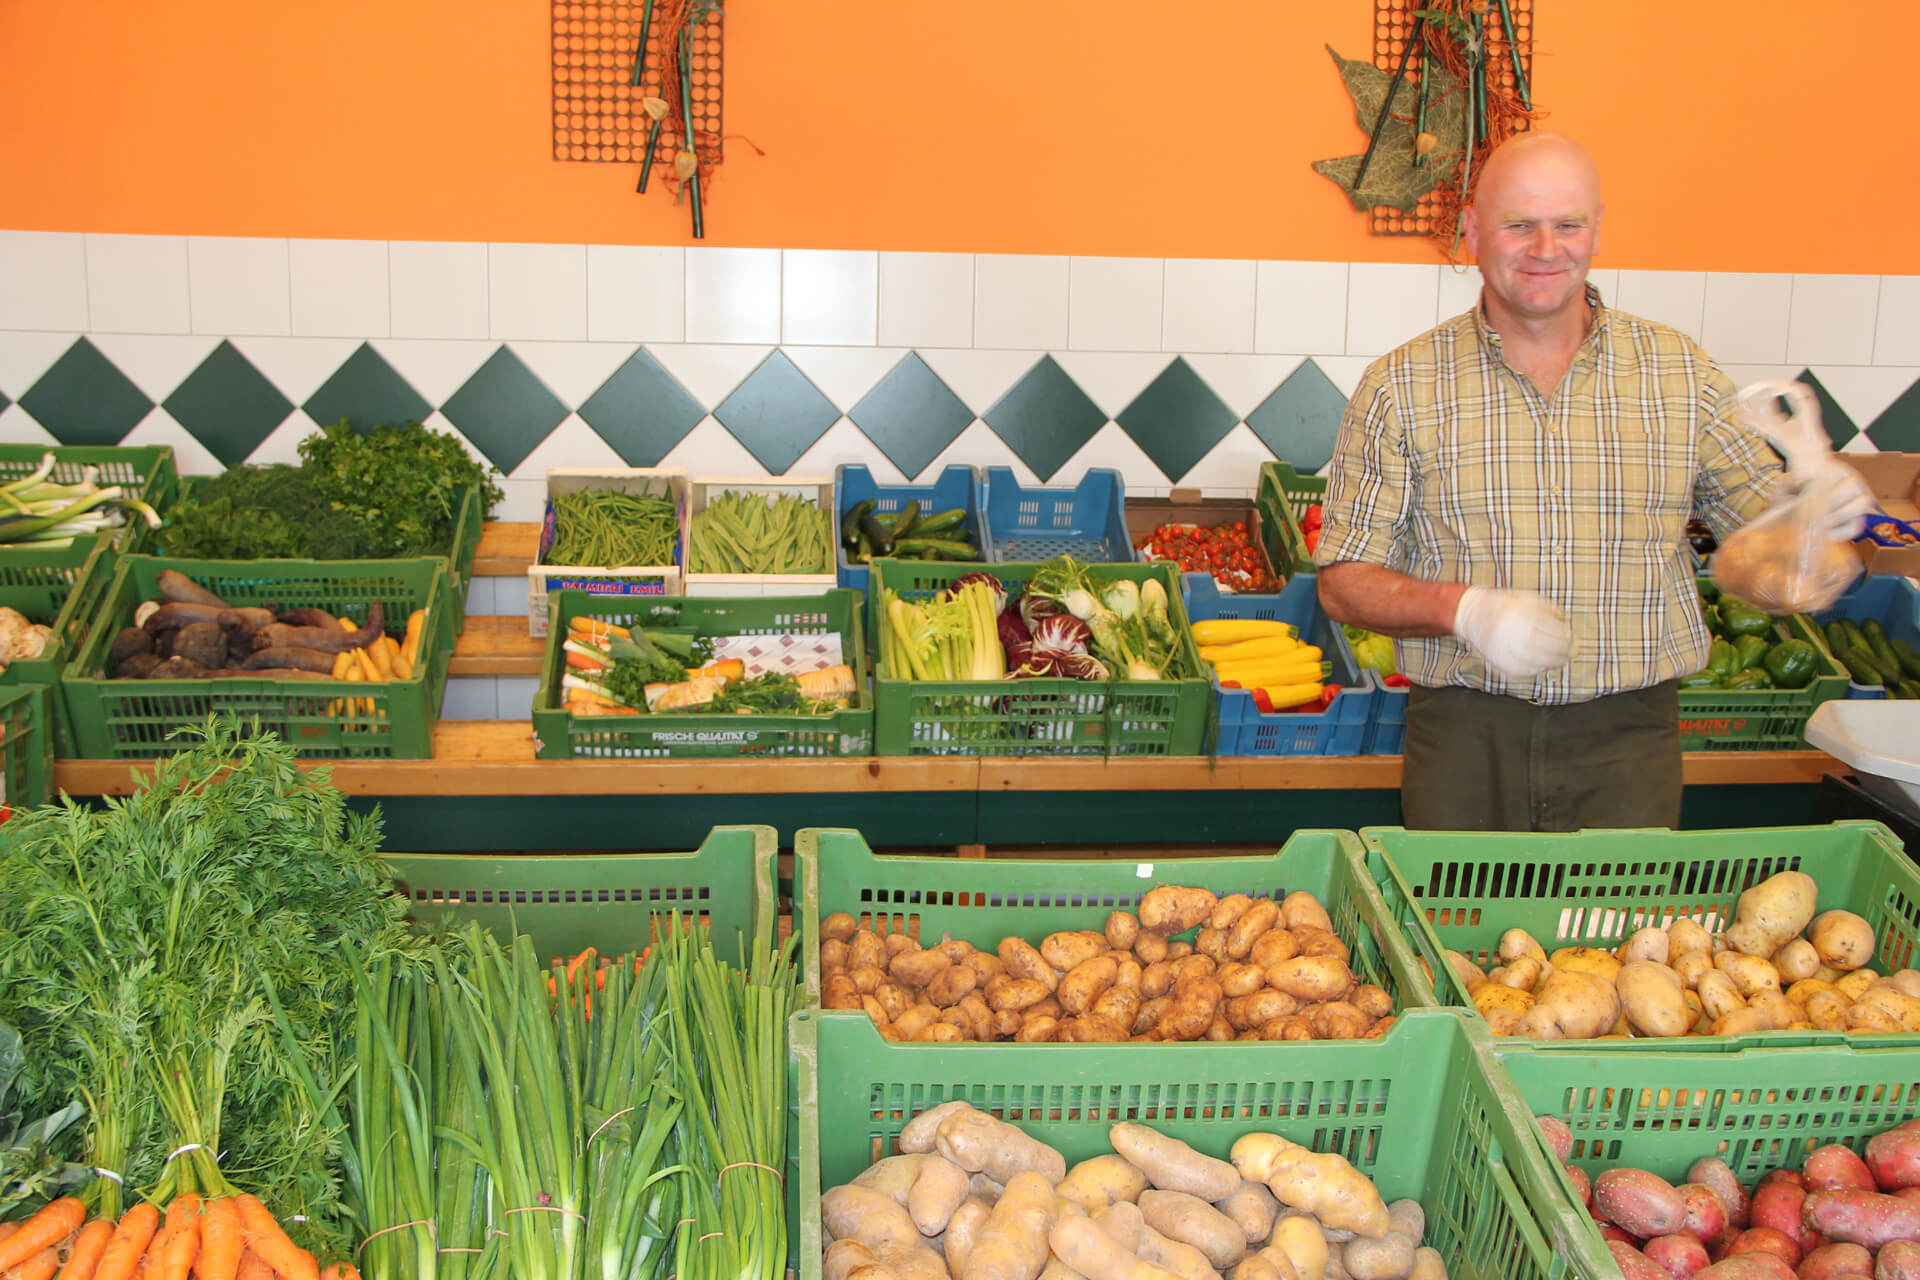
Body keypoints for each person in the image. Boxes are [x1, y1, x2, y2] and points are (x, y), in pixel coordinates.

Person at [1313, 132, 1874, 832]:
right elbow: (1342, 582)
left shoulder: (1679, 372)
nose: (1546, 249)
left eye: (1568, 224)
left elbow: (1765, 570)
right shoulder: (1401, 385)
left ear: (1598, 230)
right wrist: (1466, 610)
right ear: (1472, 231)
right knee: (1454, 934)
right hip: (1463, 739)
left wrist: (1810, 522)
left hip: (1629, 745)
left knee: (1617, 938)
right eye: (1519, 224)